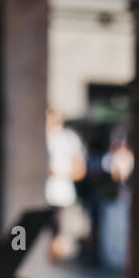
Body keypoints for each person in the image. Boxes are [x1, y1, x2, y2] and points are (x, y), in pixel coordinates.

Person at [45, 108, 88, 262]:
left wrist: (58, 172)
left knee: (57, 236)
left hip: (59, 196)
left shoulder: (67, 139)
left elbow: (80, 170)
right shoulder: (43, 137)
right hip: (44, 195)